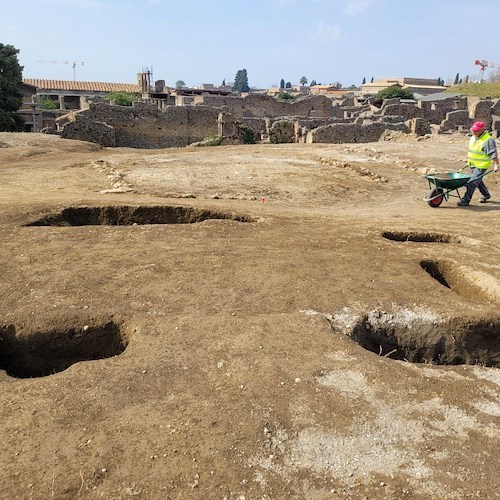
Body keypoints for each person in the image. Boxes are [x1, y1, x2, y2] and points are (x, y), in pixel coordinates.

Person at [457, 121, 499, 206]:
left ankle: (465, 200)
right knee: (478, 181)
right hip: (472, 164)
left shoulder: (488, 140)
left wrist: (496, 165)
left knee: (472, 182)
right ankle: (486, 195)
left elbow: (493, 153)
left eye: (476, 130)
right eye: (473, 130)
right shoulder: (473, 137)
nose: (474, 132)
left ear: (482, 130)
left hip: (481, 166)